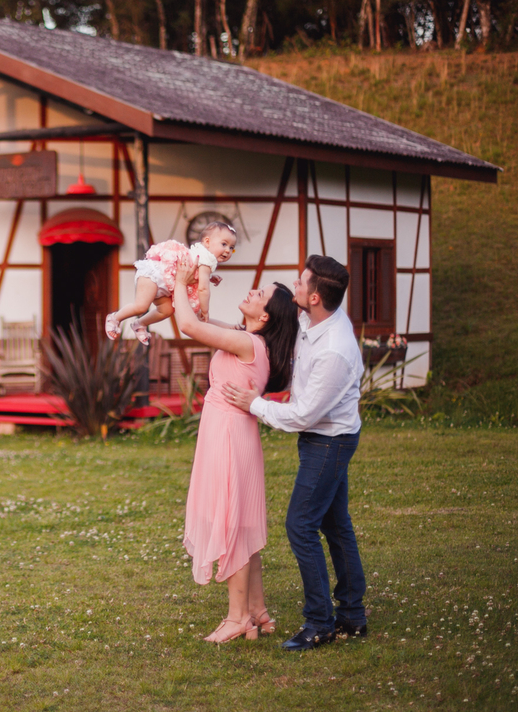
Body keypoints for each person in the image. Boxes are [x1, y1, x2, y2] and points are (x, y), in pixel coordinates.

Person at [221, 255, 368, 652]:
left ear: (316, 296)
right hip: (323, 437)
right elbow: (283, 327)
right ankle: (352, 615)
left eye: (301, 284)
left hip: (329, 441)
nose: (295, 288)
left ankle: (320, 622)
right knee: (336, 526)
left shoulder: (334, 350)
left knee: (300, 526)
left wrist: (254, 403)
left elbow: (303, 415)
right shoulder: (313, 320)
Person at [172, 263, 299, 645]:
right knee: (240, 522)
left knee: (231, 522)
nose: (252, 291)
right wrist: (198, 284)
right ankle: (257, 610)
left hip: (228, 434)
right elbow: (200, 319)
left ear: (266, 316)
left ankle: (237, 617)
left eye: (260, 294)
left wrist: (179, 281)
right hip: (228, 431)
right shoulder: (245, 337)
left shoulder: (249, 344)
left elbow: (190, 328)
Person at [105, 222, 237, 346]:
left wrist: (210, 277)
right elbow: (203, 289)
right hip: (154, 275)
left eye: (232, 248)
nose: (227, 251)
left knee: (167, 310)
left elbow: (195, 273)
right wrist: (205, 310)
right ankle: (114, 318)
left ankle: (139, 324)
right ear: (207, 242)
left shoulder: (203, 257)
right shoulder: (207, 260)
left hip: (164, 285)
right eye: (224, 244)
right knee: (141, 306)